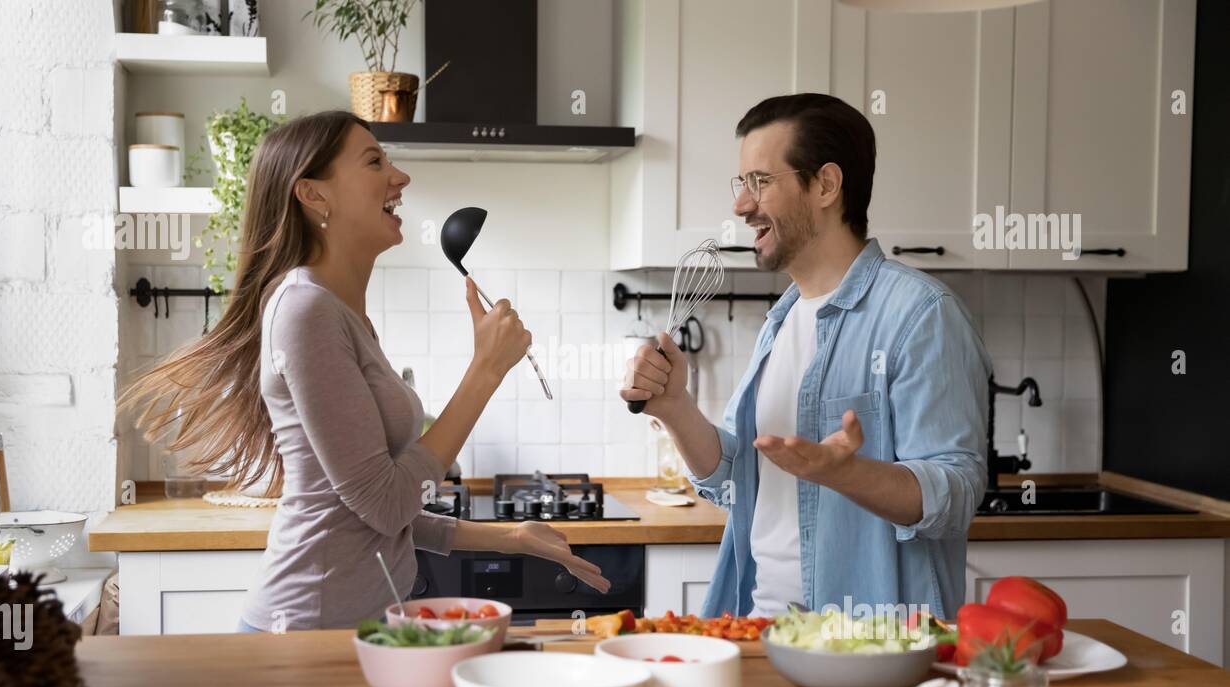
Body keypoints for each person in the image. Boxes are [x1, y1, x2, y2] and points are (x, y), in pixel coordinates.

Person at [121, 111, 609, 631]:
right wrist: (485, 369)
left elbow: (372, 512)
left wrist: (511, 537)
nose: (399, 177)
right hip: (308, 633)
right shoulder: (306, 311)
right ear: (314, 195)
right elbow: (384, 502)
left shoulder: (342, 314)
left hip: (360, 626)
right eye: (375, 161)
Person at [620, 94, 990, 620]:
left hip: (869, 646)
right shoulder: (783, 318)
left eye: (760, 182)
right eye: (741, 184)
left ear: (825, 185)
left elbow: (956, 494)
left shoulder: (921, 314)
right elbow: (737, 479)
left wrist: (845, 473)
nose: (741, 206)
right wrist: (675, 408)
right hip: (759, 624)